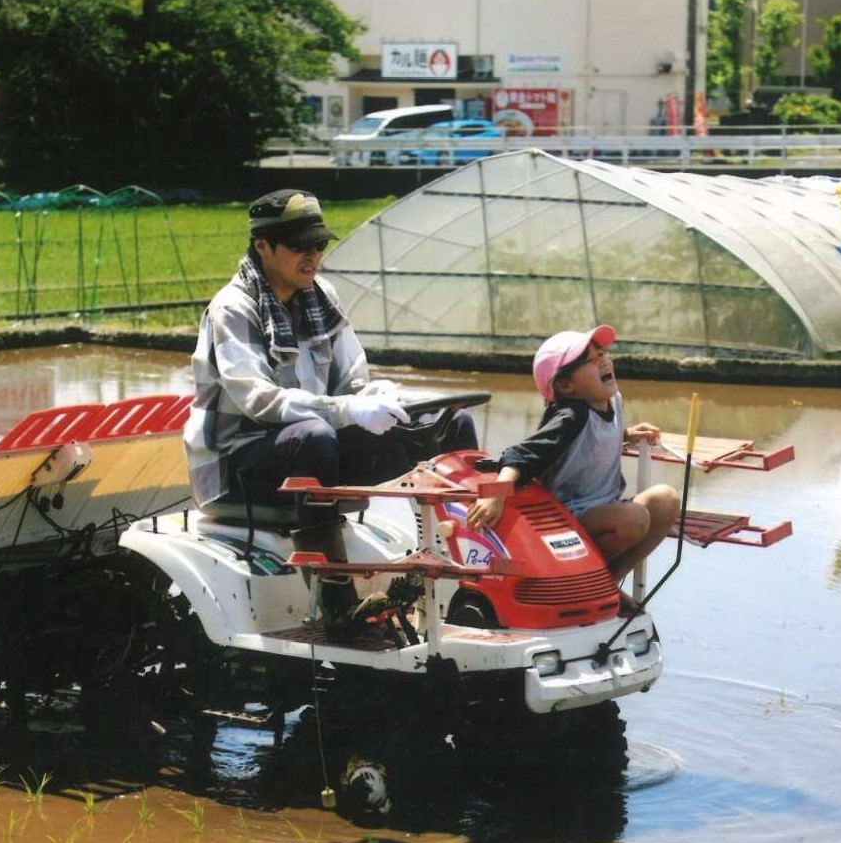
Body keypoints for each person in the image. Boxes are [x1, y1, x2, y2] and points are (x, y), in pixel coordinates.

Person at [183, 188, 477, 629]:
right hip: (237, 467)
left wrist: (377, 396)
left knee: (448, 422)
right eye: (301, 246)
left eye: (319, 244)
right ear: (263, 246)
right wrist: (350, 410)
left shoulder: (321, 297)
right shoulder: (234, 308)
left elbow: (352, 383)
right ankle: (338, 605)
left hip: (308, 447)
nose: (313, 256)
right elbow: (259, 401)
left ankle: (463, 575)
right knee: (314, 436)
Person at [465, 326, 680, 601]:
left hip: (605, 506)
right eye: (591, 360)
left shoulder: (612, 400)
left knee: (666, 499)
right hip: (567, 518)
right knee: (635, 519)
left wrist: (624, 436)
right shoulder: (571, 416)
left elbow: (593, 442)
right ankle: (593, 582)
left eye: (602, 353)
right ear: (566, 386)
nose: (603, 361)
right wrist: (494, 497)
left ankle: (607, 582)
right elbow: (521, 454)